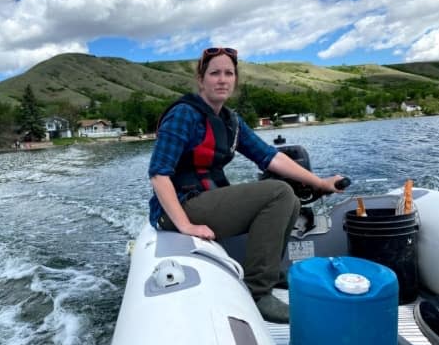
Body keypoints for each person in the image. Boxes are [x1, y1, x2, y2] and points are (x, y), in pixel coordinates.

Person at [147, 47, 344, 323]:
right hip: (179, 207)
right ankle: (258, 292)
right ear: (201, 79)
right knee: (278, 192)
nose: (222, 79)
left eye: (229, 73)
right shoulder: (184, 114)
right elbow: (158, 174)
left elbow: (270, 157)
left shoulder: (232, 122)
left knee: (291, 198)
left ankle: (271, 271)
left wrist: (320, 182)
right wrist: (185, 226)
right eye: (214, 73)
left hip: (207, 199)